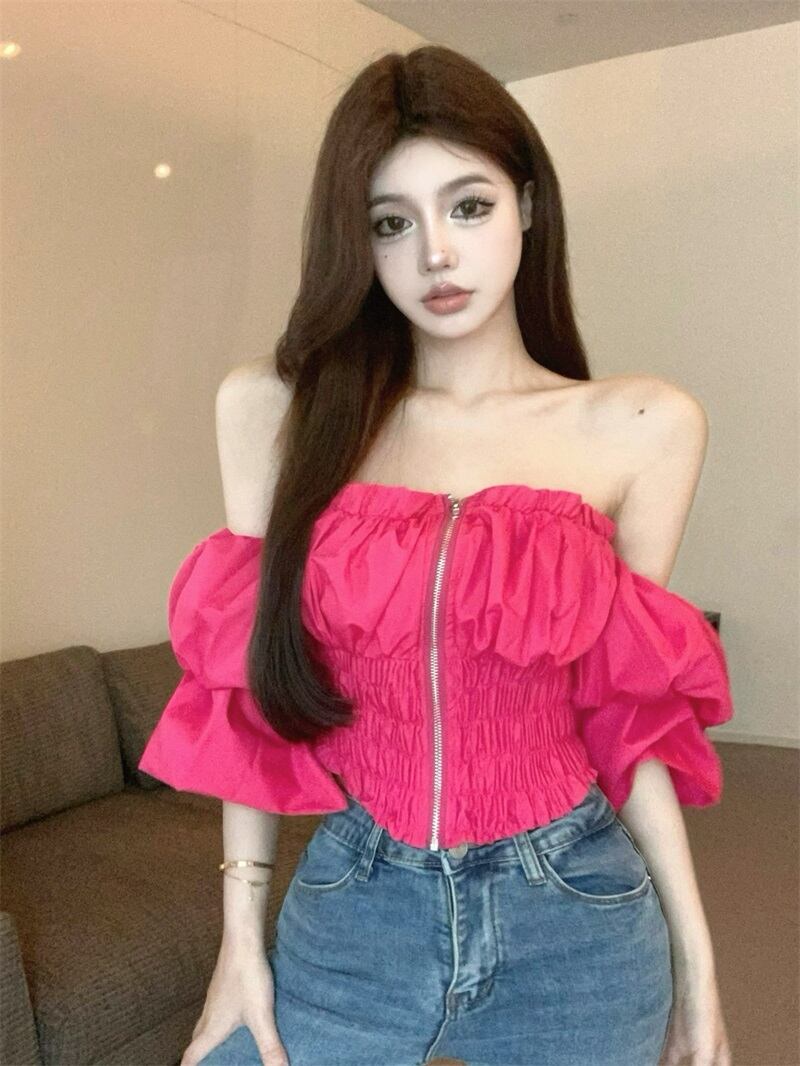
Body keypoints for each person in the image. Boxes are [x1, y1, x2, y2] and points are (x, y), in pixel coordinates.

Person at [138, 44, 734, 1066]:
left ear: (527, 205)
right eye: (391, 222)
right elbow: (245, 695)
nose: (435, 255)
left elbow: (626, 710)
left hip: (577, 916)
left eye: (467, 205)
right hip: (356, 906)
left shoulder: (641, 425)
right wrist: (239, 939)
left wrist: (699, 962)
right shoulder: (277, 412)